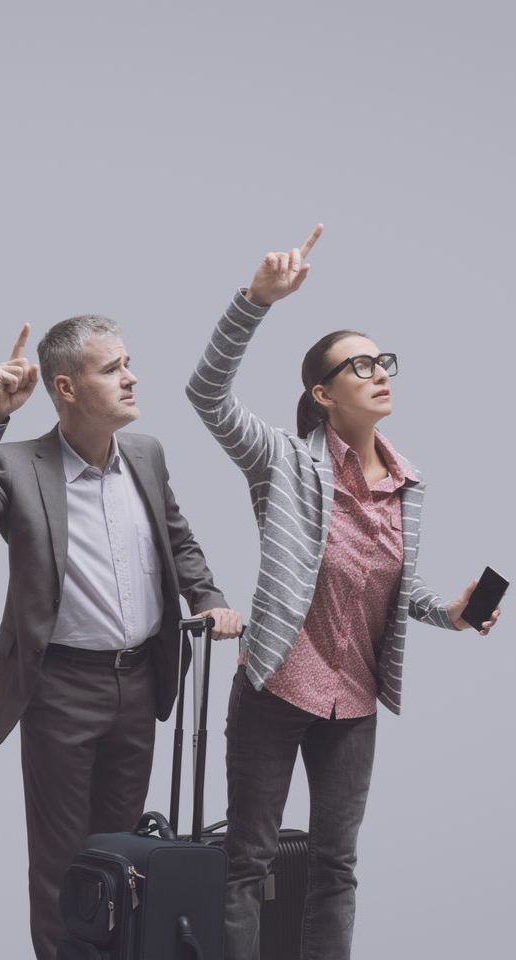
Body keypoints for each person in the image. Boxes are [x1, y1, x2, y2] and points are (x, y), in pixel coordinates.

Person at [186, 225, 502, 960]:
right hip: (277, 688)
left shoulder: (407, 486)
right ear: (323, 395)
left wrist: (448, 614)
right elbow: (205, 394)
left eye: (382, 360)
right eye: (359, 365)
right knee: (247, 863)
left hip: (354, 702)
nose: (379, 371)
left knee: (336, 867)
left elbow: (391, 584)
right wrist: (253, 302)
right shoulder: (282, 464)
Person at [0, 316, 242, 958]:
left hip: (142, 682)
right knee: (65, 865)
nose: (131, 377)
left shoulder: (147, 455)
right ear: (65, 388)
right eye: (112, 368)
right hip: (60, 688)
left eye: (128, 362)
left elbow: (176, 538)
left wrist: (208, 596)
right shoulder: (17, 465)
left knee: (125, 855)